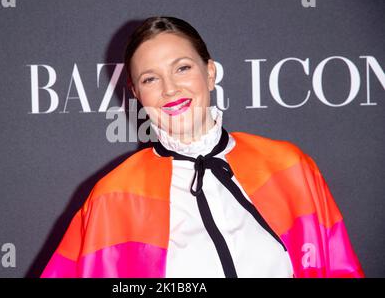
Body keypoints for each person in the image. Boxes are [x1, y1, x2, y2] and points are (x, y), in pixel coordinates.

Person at [40, 16, 364, 278]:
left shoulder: (291, 167)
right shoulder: (112, 197)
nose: (170, 89)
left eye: (182, 68)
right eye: (150, 79)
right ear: (136, 93)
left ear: (210, 73)